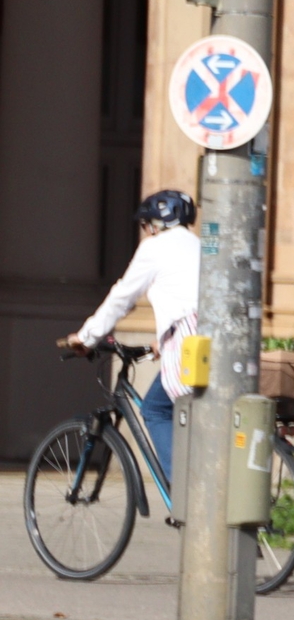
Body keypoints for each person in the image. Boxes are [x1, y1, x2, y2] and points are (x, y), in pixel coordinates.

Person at [56, 190, 200, 502]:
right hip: (207, 342)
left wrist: (86, 337)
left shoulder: (156, 248)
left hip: (189, 342)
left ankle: (187, 500)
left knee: (156, 409)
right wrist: (161, 339)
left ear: (158, 223)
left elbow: (122, 297)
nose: (147, 230)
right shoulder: (199, 246)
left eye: (148, 224)